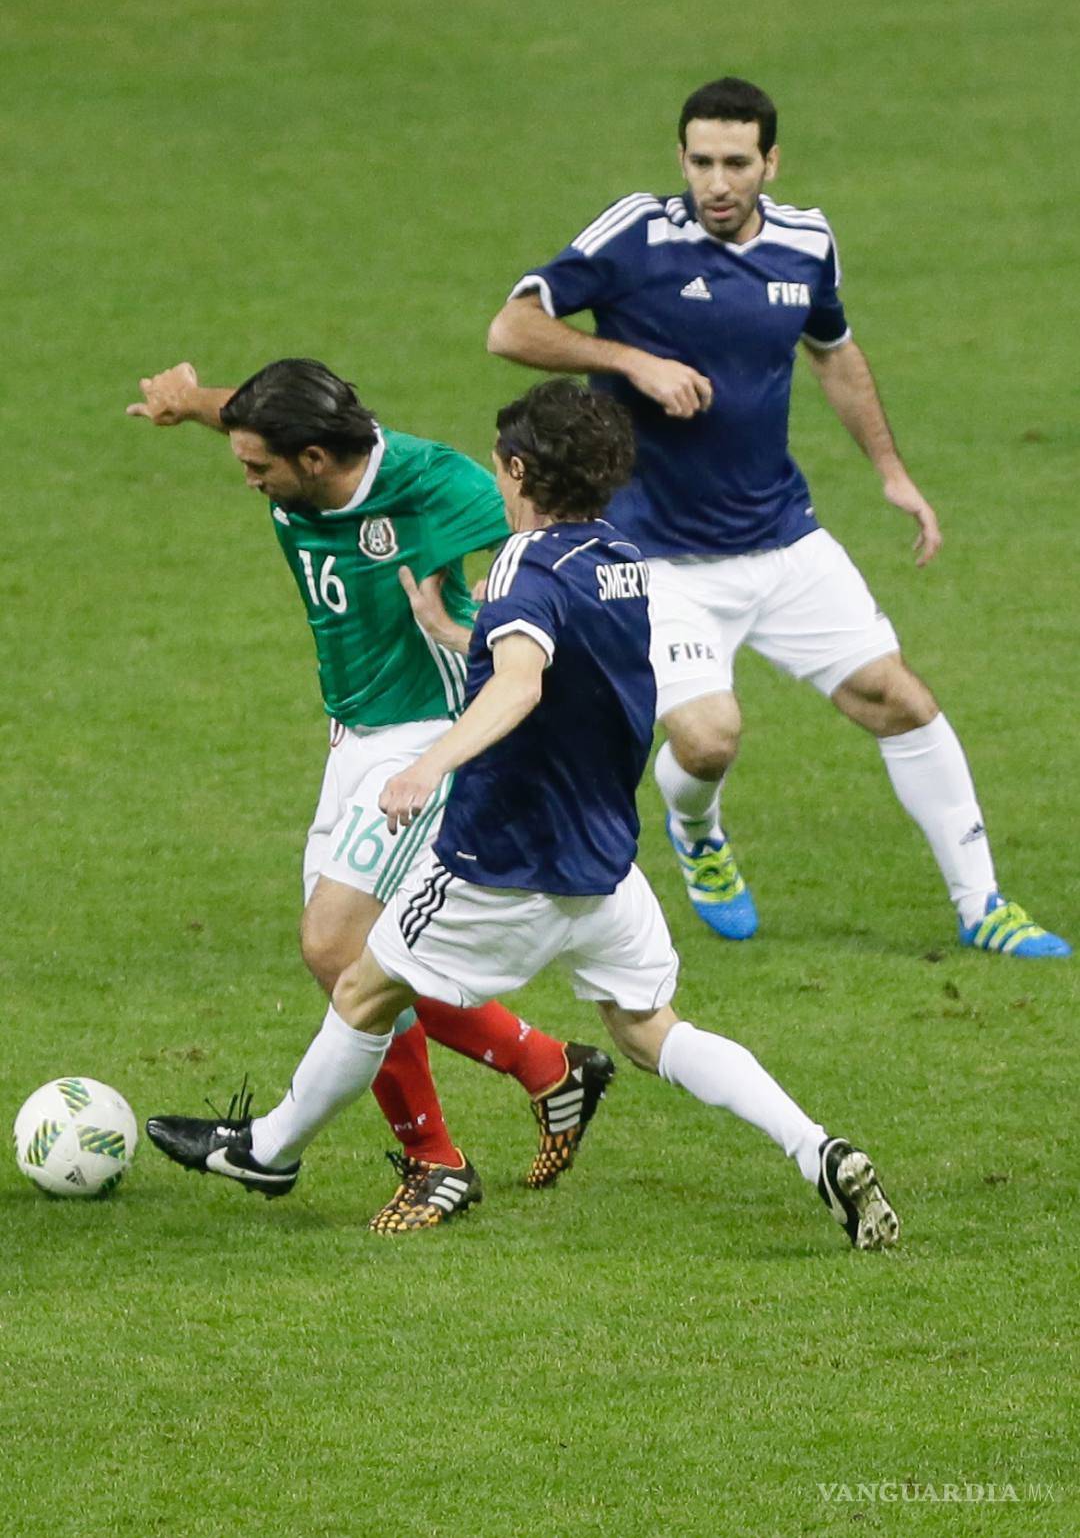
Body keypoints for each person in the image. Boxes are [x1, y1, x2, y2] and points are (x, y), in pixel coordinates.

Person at [146, 378, 900, 1252]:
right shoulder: (620, 559)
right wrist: (458, 633)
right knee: (653, 1031)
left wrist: (430, 763)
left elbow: (520, 683)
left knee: (358, 983)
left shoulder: (521, 566)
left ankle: (271, 1152)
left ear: (517, 470)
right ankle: (816, 1146)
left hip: (501, 864)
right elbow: (554, 662)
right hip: (605, 865)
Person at [485, 77, 1069, 960]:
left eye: (736, 163)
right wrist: (632, 360)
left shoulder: (806, 242)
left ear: (771, 162)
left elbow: (833, 352)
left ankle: (982, 903)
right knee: (708, 739)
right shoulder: (637, 234)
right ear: (681, 158)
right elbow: (511, 327)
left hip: (783, 539)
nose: (716, 183)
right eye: (701, 162)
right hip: (658, 558)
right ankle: (698, 832)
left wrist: (892, 473)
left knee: (901, 699)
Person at [127, 358, 616, 1231]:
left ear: (313, 458)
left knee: (335, 943)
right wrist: (188, 403)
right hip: (349, 737)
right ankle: (549, 1067)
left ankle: (432, 1163)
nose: (250, 480)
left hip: (425, 737)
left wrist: (508, 612)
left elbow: (554, 534)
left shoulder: (433, 484)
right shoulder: (296, 451)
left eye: (259, 468)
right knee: (353, 963)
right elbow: (244, 416)